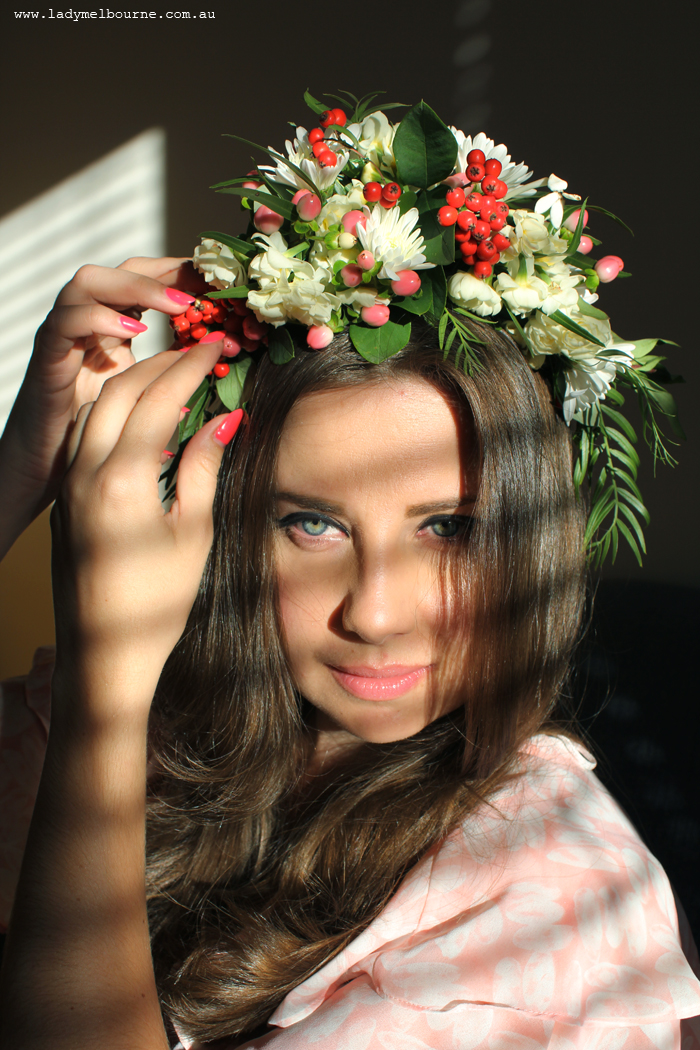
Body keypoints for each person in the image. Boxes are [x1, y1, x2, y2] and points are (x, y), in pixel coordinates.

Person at [1, 96, 699, 1050]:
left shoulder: (539, 881)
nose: (374, 615)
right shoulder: (170, 724)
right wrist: (15, 481)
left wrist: (104, 678)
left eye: (450, 528)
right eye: (314, 524)